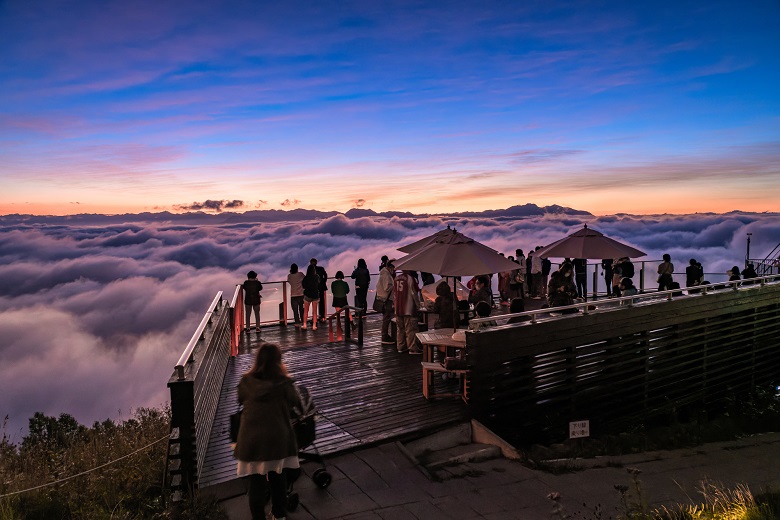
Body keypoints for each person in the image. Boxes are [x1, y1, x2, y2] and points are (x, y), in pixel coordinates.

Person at [234, 343, 302, 520]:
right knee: (278, 478)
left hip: (251, 439)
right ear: (278, 361)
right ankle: (279, 515)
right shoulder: (284, 383)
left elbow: (240, 399)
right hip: (276, 439)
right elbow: (295, 401)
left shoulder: (246, 382)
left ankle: (258, 518)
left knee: (255, 482)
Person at [394, 270, 421, 354]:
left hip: (398, 307)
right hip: (408, 308)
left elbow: (394, 293)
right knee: (411, 329)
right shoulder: (411, 279)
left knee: (400, 329)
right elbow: (414, 293)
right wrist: (418, 306)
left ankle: (401, 347)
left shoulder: (396, 279)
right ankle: (412, 348)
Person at [377, 259, 395, 344]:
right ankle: (385, 336)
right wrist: (394, 286)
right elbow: (387, 287)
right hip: (387, 299)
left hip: (385, 298)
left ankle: (386, 335)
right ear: (391, 267)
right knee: (387, 317)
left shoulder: (384, 273)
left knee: (387, 317)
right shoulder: (386, 275)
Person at [301, 264, 320, 330]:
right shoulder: (316, 277)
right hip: (315, 294)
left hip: (307, 295)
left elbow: (303, 286)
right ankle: (314, 325)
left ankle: (304, 324)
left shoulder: (306, 278)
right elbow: (318, 284)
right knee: (314, 311)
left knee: (306, 311)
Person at [310, 259, 328, 323]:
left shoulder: (310, 270)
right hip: (321, 288)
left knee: (314, 302)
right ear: (316, 263)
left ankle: (314, 318)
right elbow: (325, 276)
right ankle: (322, 316)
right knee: (322, 302)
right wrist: (323, 282)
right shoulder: (321, 269)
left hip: (314, 289)